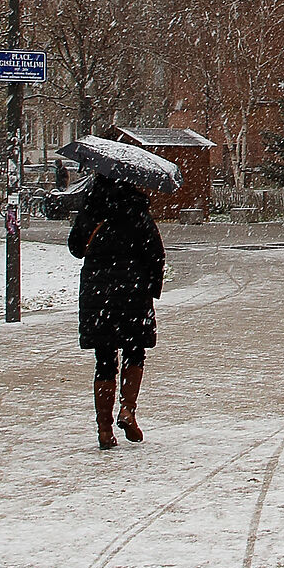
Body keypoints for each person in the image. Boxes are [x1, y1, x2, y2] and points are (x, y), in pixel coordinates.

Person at [67, 162, 165, 449]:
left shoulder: (92, 210)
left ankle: (104, 429)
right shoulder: (137, 212)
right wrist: (151, 290)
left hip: (98, 295)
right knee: (135, 353)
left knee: (105, 360)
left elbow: (75, 247)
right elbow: (156, 255)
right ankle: (127, 409)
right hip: (133, 294)